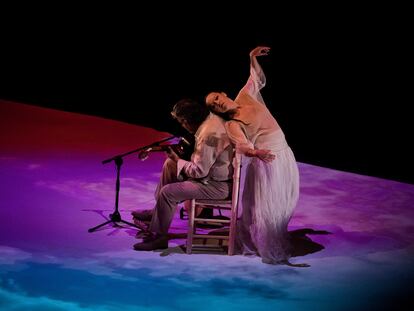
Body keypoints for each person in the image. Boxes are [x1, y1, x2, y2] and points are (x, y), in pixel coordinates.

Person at [205, 46, 300, 264]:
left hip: (284, 152)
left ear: (224, 94)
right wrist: (257, 152)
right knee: (268, 205)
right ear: (217, 111)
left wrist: (251, 57)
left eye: (217, 97)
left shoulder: (245, 96)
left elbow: (256, 78)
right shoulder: (232, 124)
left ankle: (275, 232)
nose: (218, 102)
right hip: (267, 159)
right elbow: (242, 146)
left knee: (287, 199)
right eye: (214, 104)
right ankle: (266, 242)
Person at [133, 98, 235, 251]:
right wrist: (178, 160)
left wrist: (179, 159)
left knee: (168, 192)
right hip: (212, 177)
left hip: (216, 186)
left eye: (182, 122)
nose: (183, 126)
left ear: (187, 120)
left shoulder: (208, 134)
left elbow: (199, 172)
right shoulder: (211, 119)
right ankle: (158, 212)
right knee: (170, 165)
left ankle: (159, 236)